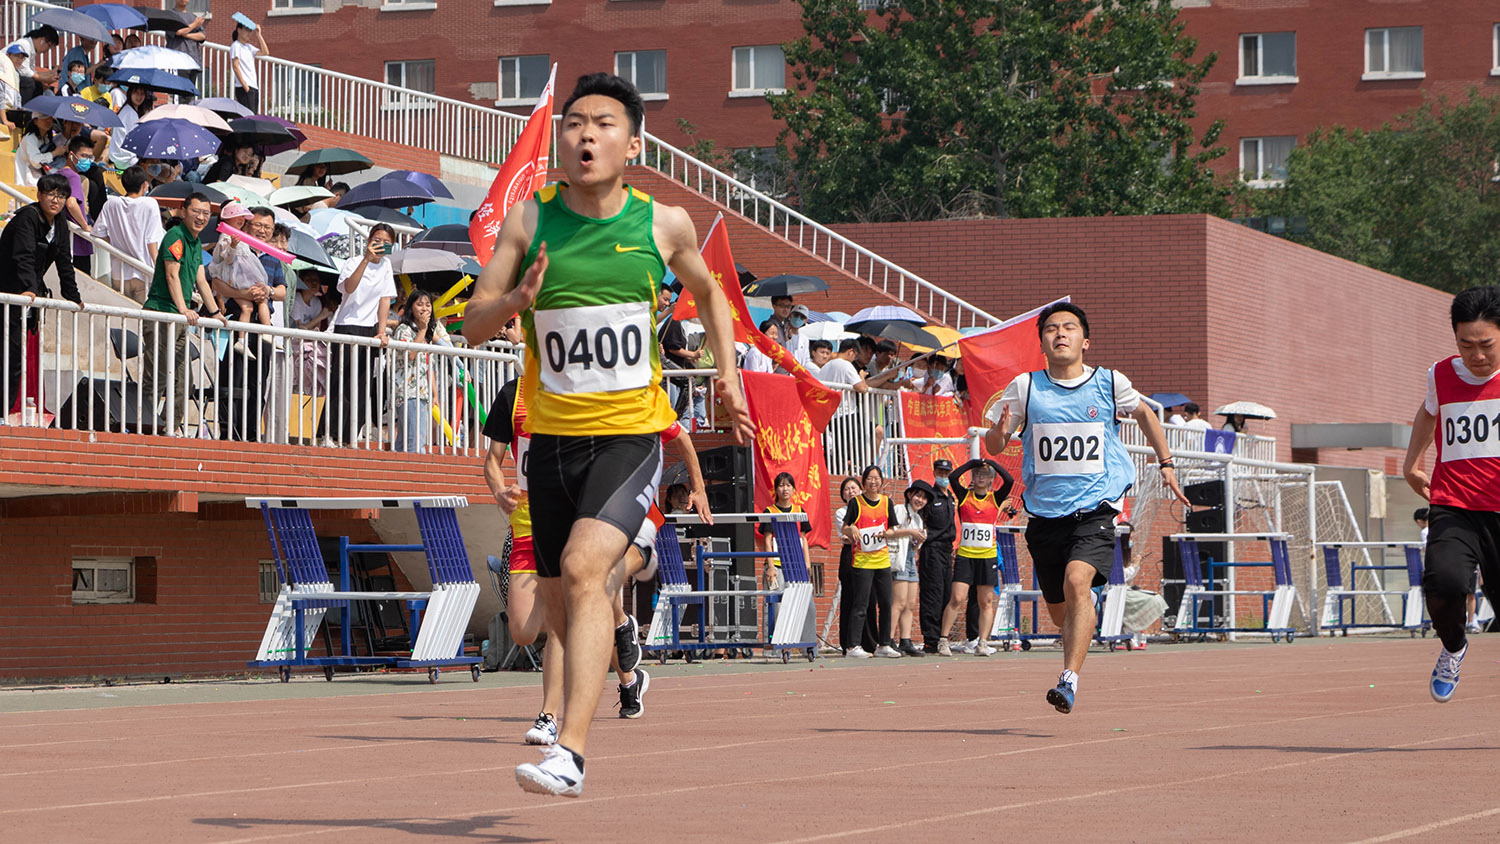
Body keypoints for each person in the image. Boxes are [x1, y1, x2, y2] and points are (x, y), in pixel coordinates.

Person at [462, 72, 751, 798]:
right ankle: (610, 683)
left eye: (603, 123)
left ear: (634, 144)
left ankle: (571, 751)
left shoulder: (664, 224)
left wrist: (726, 375)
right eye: (574, 124)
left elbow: (711, 294)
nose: (585, 135)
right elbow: (472, 324)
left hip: (629, 437)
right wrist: (518, 298)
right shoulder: (528, 221)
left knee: (587, 568)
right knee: (560, 606)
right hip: (551, 444)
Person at [484, 367, 712, 744]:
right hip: (527, 522)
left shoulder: (600, 391)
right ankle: (629, 673)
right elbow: (492, 460)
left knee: (571, 609)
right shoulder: (514, 395)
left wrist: (698, 488)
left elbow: (679, 436)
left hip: (584, 515)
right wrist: (498, 491)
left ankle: (548, 716)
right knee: (523, 631)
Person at [983, 302, 1188, 714]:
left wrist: (1166, 463)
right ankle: (1085, 609)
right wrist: (1000, 434)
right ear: (1042, 342)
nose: (1060, 333)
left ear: (1085, 341)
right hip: (1044, 515)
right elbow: (994, 445)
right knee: (1062, 615)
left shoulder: (1109, 383)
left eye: (1069, 327)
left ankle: (1069, 680)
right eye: (1051, 329)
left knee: (1078, 582)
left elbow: (1146, 414)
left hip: (1097, 508)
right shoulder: (1025, 387)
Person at [1402, 286, 1500, 702]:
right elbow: (1429, 412)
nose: (1477, 355)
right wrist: (1412, 464)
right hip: (1454, 504)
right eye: (1466, 344)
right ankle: (1454, 647)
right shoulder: (1440, 374)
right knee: (1442, 584)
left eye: (1486, 345)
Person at [1, 175, 84, 416]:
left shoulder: (60, 223)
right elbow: (23, 255)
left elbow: (64, 262)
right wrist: (29, 287)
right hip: (8, 292)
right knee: (7, 355)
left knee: (14, 358)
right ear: (39, 195)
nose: (56, 200)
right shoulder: (27, 218)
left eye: (61, 196)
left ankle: (3, 413)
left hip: (25, 298)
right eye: (51, 194)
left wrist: (73, 296)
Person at [142, 193, 222, 434]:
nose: (201, 217)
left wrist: (215, 312)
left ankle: (168, 428)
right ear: (183, 211)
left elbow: (201, 280)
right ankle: (143, 426)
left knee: (183, 381)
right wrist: (183, 308)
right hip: (162, 313)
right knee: (157, 377)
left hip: (179, 319)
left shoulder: (196, 242)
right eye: (196, 211)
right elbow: (171, 274)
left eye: (206, 213)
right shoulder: (175, 236)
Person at [324, 223, 396, 447]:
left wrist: (381, 331)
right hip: (347, 325)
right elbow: (349, 288)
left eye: (386, 243)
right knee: (341, 381)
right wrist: (365, 260)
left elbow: (385, 299)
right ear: (368, 241)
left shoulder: (386, 266)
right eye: (377, 240)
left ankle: (349, 436)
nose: (381, 245)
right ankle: (329, 433)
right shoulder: (353, 262)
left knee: (363, 385)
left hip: (369, 329)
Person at [935, 458, 1014, 657]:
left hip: (987, 557)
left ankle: (982, 642)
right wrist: (973, 463)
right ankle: (943, 640)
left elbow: (1009, 480)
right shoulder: (964, 496)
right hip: (966, 556)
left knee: (985, 601)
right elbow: (954, 477)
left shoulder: (996, 498)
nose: (981, 477)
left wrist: (991, 463)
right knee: (957, 598)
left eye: (985, 475)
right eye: (977, 474)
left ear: (990, 480)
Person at [841, 465, 906, 659]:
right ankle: (853, 646)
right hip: (862, 561)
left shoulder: (886, 502)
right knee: (860, 604)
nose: (873, 481)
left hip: (882, 560)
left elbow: (892, 529)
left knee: (886, 603)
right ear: (864, 482)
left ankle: (884, 644)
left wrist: (887, 533)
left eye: (876, 478)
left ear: (881, 481)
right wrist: (851, 529)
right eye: (869, 478)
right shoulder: (856, 503)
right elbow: (844, 527)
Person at [92, 165, 164, 302]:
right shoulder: (150, 204)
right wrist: (159, 269)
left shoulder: (111, 204)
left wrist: (116, 245)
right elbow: (152, 241)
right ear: (144, 185)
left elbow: (98, 233)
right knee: (143, 314)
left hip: (119, 273)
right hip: (144, 273)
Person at [917, 458, 958, 653]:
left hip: (947, 550)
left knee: (946, 594)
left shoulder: (951, 497)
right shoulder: (930, 496)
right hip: (932, 548)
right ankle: (930, 640)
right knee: (932, 594)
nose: (943, 476)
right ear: (934, 473)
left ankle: (943, 637)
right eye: (940, 472)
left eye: (946, 473)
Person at [392, 289, 438, 453]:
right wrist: (423, 330)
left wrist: (435, 394)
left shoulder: (425, 335)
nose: (425, 308)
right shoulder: (404, 329)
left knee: (405, 441)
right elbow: (410, 355)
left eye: (428, 305)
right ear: (411, 308)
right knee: (415, 441)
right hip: (408, 391)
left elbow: (429, 365)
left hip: (422, 392)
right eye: (420, 304)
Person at [891, 481, 931, 657]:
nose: (920, 500)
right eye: (918, 496)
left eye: (924, 498)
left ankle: (905, 640)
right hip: (898, 557)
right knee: (898, 602)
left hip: (910, 557)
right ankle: (888, 639)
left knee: (910, 603)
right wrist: (910, 532)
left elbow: (914, 546)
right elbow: (890, 531)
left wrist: (918, 540)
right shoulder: (900, 510)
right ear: (909, 495)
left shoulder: (918, 519)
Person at [757, 471, 812, 589]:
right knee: (775, 600)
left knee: (801, 599)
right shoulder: (769, 511)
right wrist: (771, 567)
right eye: (781, 485)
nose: (785, 489)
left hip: (796, 565)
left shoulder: (799, 510)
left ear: (793, 489)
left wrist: (807, 563)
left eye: (788, 485)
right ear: (776, 490)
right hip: (777, 565)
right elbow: (767, 541)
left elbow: (803, 538)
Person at [56, 136, 96, 277]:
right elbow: (71, 203)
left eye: (90, 157)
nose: (87, 160)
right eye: (84, 156)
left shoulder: (59, 173)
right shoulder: (73, 177)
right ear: (71, 155)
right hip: (77, 243)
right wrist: (85, 225)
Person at [833, 475, 862, 654]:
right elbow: (847, 537)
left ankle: (868, 642)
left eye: (853, 488)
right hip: (849, 556)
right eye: (847, 489)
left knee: (866, 600)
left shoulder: (868, 509)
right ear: (843, 495)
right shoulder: (841, 512)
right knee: (849, 600)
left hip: (869, 556)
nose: (851, 491)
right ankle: (848, 643)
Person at [163, 0, 207, 94]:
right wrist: (194, 25)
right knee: (178, 95)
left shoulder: (193, 17)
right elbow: (178, 32)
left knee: (189, 95)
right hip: (177, 62)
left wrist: (186, 34)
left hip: (193, 61)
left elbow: (202, 36)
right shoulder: (170, 15)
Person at [108, 85, 155, 170]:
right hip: (126, 158)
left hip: (122, 158)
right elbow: (136, 140)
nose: (139, 97)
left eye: (142, 93)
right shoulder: (130, 113)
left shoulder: (130, 110)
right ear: (130, 93)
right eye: (136, 92)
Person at [229, 20, 268, 112]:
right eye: (246, 30)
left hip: (253, 86)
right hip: (244, 87)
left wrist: (259, 35)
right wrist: (245, 86)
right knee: (248, 115)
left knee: (254, 115)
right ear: (239, 30)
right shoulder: (236, 45)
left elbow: (265, 52)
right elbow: (235, 67)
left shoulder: (249, 47)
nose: (249, 33)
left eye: (250, 31)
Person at [14, 114, 56, 189]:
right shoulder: (30, 138)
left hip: (39, 177)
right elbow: (36, 161)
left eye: (51, 119)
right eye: (45, 118)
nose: (49, 121)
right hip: (27, 179)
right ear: (35, 121)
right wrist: (55, 153)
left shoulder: (46, 139)